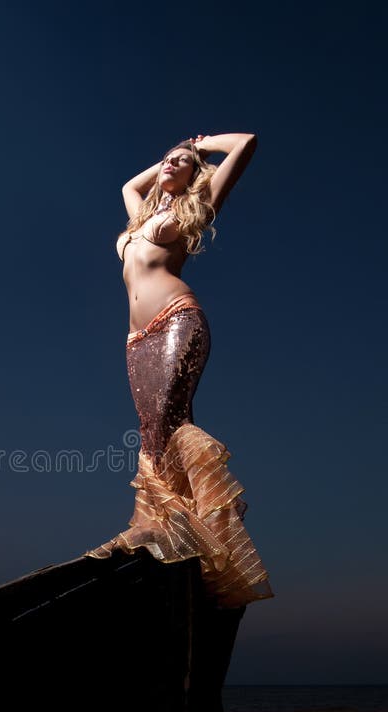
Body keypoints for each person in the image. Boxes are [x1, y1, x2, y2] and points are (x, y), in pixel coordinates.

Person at [85, 133, 274, 608]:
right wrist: (170, 158)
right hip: (136, 340)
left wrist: (201, 145)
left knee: (172, 419)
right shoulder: (140, 216)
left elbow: (245, 145)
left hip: (177, 323)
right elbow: (132, 184)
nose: (170, 166)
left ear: (196, 175)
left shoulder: (195, 205)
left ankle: (202, 534)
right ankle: (163, 528)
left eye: (182, 164)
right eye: (167, 160)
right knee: (151, 431)